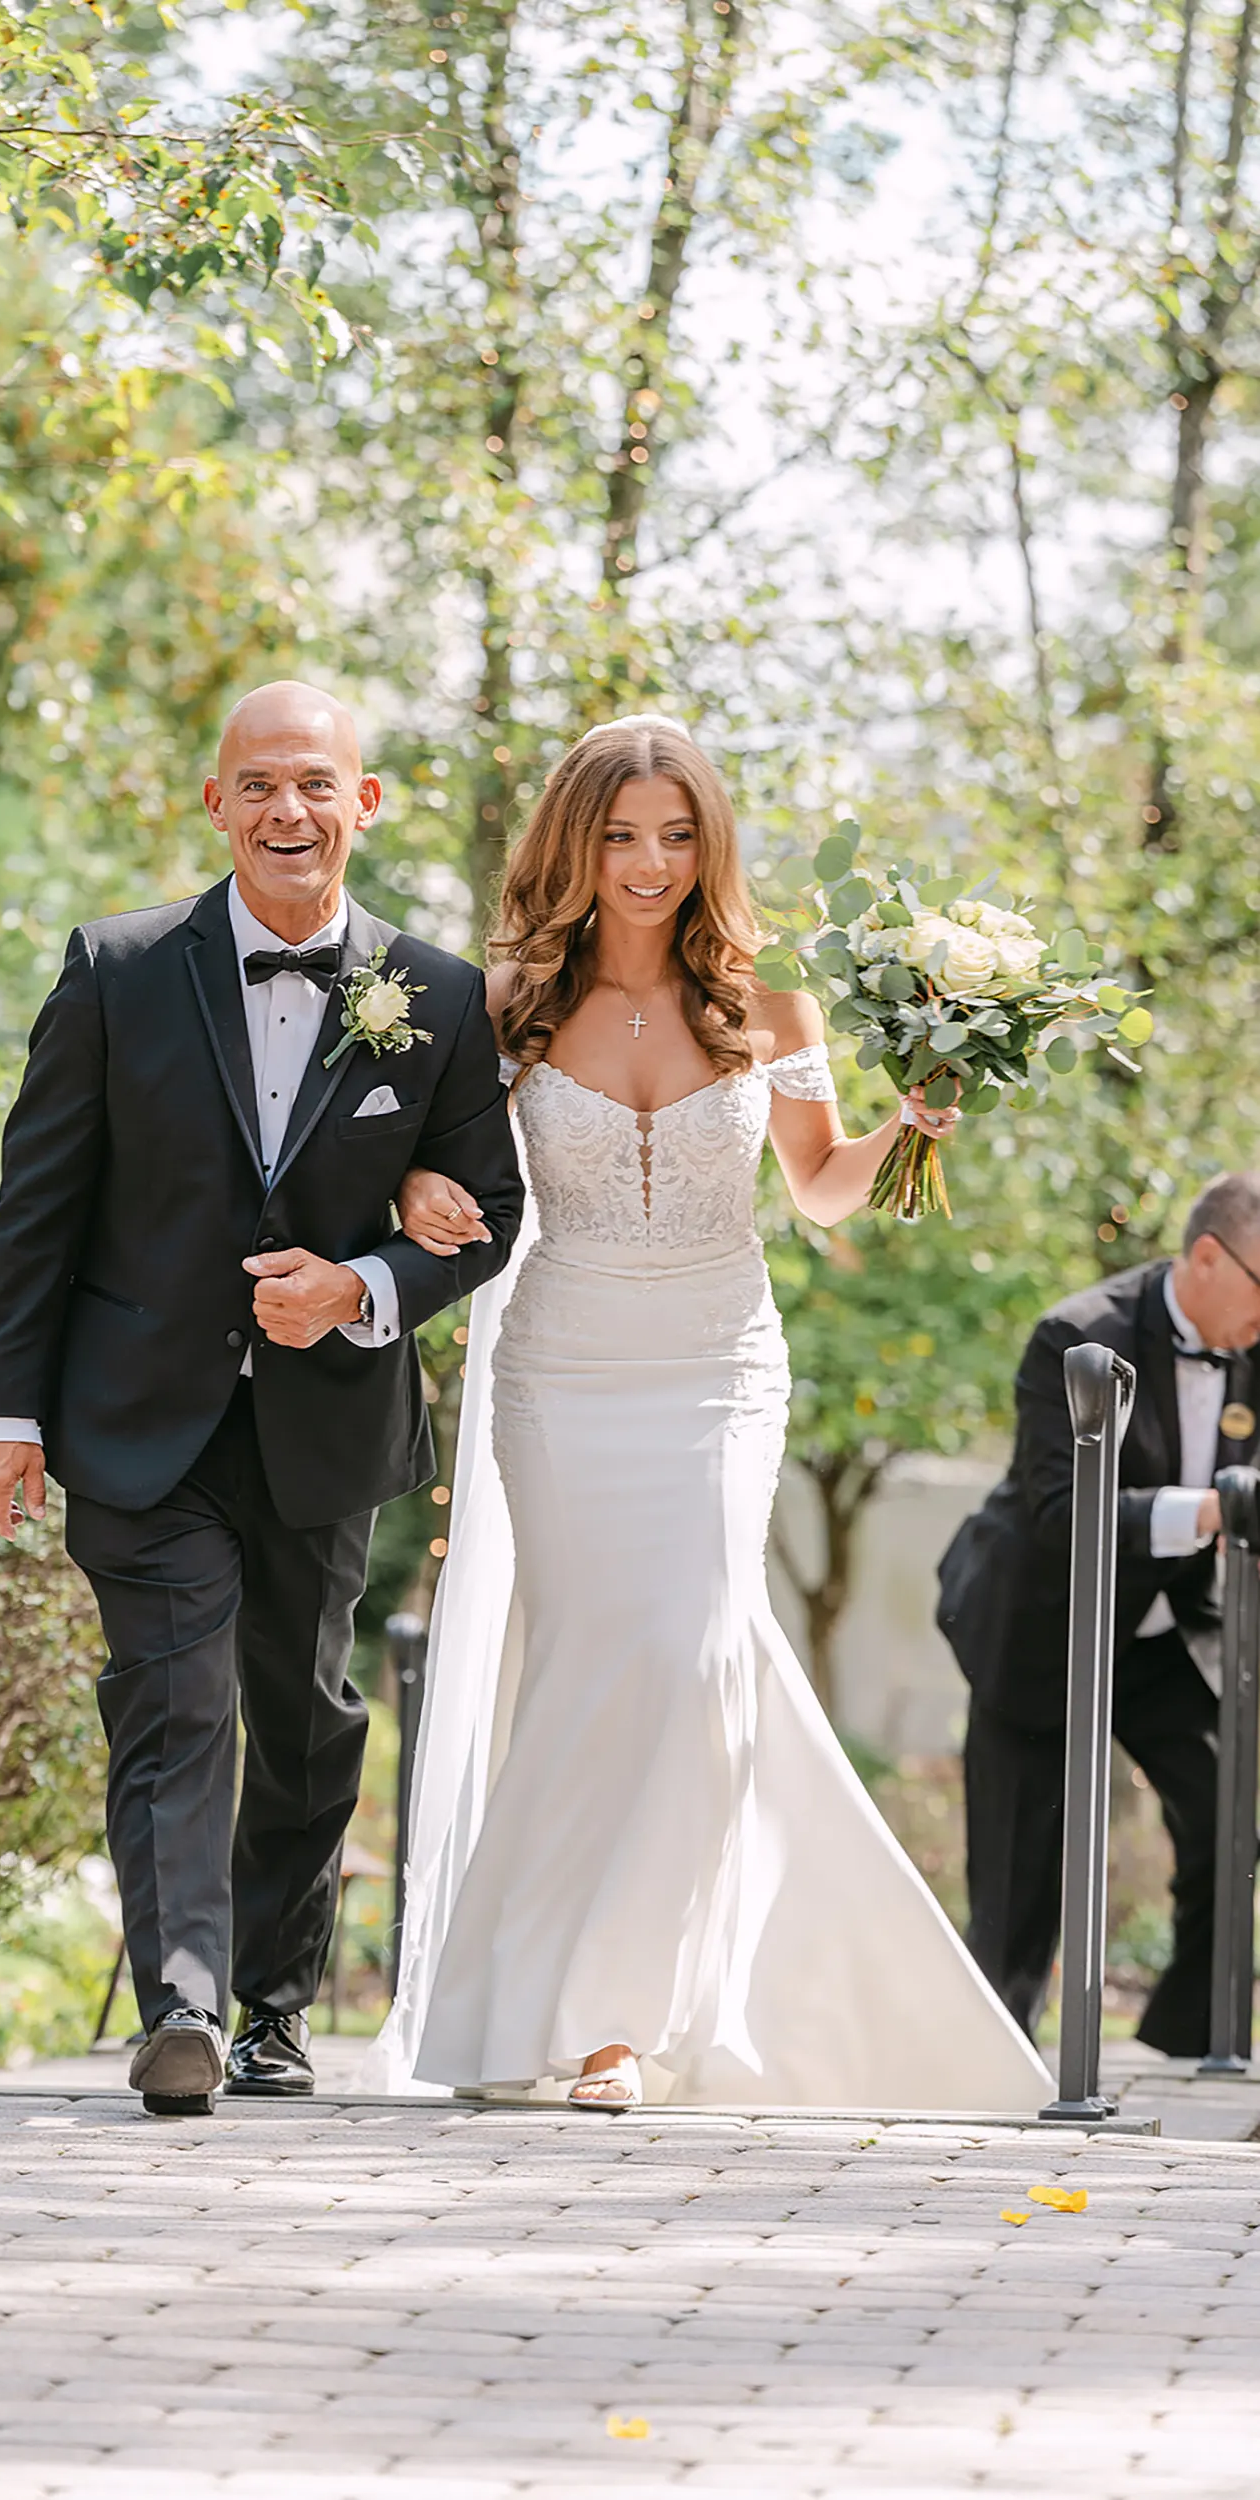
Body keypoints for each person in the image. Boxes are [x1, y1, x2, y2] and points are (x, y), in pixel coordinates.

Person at [375, 714, 1051, 2113]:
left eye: (676, 836)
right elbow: (416, 1160)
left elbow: (817, 1188)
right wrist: (410, 1191)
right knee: (584, 1664)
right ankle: (546, 2007)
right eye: (620, 836)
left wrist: (906, 1128)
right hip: (561, 1368)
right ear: (575, 844)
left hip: (715, 1368)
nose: (648, 863)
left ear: (708, 846)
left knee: (690, 1658)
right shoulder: (501, 1006)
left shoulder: (770, 1012)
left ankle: (623, 2018)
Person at [0, 681, 525, 2116]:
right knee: (172, 1699)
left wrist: (361, 1285)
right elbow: (38, 1206)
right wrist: (0, 1411)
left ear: (363, 802)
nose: (288, 810)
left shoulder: (437, 996)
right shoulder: (115, 968)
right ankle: (183, 2007)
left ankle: (274, 2007)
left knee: (304, 1714)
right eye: (258, 784)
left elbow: (490, 1213)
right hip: (136, 1415)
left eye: (314, 784)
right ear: (215, 803)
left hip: (324, 1424)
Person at [940, 1175, 1260, 2054]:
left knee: (1231, 1822)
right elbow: (1060, 1512)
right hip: (1042, 1626)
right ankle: (998, 2071)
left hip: (1163, 1633)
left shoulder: (1249, 1344)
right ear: (1206, 1257)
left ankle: (1182, 2048)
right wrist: (1211, 1510)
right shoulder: (1076, 1336)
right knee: (1017, 1879)